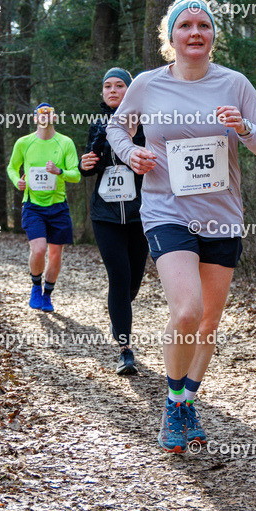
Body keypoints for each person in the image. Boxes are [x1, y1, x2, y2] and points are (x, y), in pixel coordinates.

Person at [106, 0, 256, 452]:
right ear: (171, 37)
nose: (195, 32)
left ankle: (186, 401)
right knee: (186, 310)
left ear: (213, 35)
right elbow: (116, 129)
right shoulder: (146, 84)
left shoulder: (235, 84)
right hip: (167, 210)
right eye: (185, 25)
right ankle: (170, 403)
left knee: (207, 321)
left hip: (222, 217)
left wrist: (243, 128)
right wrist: (131, 153)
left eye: (203, 25)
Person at [80, 67, 149, 376]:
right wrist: (85, 163)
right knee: (119, 277)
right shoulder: (97, 124)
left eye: (119, 85)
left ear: (130, 90)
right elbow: (87, 167)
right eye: (107, 86)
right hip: (105, 214)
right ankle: (125, 349)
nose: (112, 90)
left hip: (141, 213)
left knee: (134, 279)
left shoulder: (146, 122)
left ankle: (118, 310)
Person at [7, 103, 80, 312]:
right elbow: (12, 167)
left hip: (58, 206)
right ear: (34, 118)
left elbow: (76, 175)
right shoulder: (24, 142)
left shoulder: (65, 142)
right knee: (38, 250)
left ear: (54, 118)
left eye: (49, 113)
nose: (45, 116)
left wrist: (59, 171)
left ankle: (47, 295)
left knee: (56, 255)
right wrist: (17, 182)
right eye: (41, 113)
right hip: (33, 205)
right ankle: (35, 286)